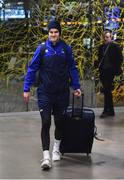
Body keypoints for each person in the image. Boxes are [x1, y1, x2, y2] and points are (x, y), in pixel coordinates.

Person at [23, 20, 81, 170]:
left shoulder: (66, 49)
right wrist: (26, 88)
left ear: (59, 33)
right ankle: (46, 156)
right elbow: (32, 69)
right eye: (51, 32)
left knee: (60, 122)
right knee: (46, 122)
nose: (53, 34)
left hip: (61, 94)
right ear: (48, 34)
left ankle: (56, 148)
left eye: (55, 32)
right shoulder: (42, 49)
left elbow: (73, 68)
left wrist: (76, 86)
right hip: (45, 93)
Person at [96, 30, 123, 118]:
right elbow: (99, 58)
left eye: (107, 37)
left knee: (107, 90)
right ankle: (110, 110)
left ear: (110, 37)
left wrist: (115, 67)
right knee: (107, 91)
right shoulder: (101, 47)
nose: (106, 39)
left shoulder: (114, 46)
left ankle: (106, 110)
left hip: (110, 71)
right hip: (103, 71)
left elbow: (120, 58)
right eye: (104, 37)